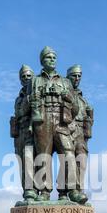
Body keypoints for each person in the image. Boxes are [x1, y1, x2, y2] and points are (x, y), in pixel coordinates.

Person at [28, 47, 87, 204]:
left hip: (61, 122)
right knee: (43, 157)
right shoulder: (35, 81)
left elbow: (75, 108)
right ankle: (44, 191)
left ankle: (72, 190)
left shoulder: (65, 82)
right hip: (42, 120)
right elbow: (27, 109)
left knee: (68, 153)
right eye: (48, 57)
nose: (52, 59)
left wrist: (67, 97)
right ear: (42, 61)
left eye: (54, 57)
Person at [10, 65, 37, 201]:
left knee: (38, 162)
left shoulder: (38, 93)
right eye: (23, 77)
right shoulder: (19, 98)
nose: (26, 79)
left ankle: (35, 191)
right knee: (24, 163)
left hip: (36, 132)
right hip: (22, 131)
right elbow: (19, 113)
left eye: (28, 76)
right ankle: (28, 191)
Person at [67, 65, 94, 204]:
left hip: (81, 134)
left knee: (81, 162)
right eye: (74, 75)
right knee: (68, 161)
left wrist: (90, 117)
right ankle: (69, 191)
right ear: (68, 77)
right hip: (68, 130)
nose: (77, 78)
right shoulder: (65, 93)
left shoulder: (83, 100)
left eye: (79, 76)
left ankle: (79, 190)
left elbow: (88, 121)